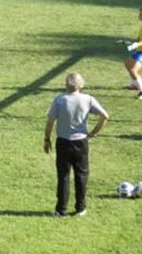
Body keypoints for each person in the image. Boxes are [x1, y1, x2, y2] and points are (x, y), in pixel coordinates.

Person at [44, 72, 108, 218]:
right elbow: (105, 116)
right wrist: (92, 134)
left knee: (63, 176)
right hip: (81, 142)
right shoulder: (88, 99)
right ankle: (80, 208)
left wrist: (47, 139)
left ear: (66, 85)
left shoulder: (60, 100)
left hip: (63, 142)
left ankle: (61, 209)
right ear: (81, 85)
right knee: (81, 175)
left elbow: (50, 122)